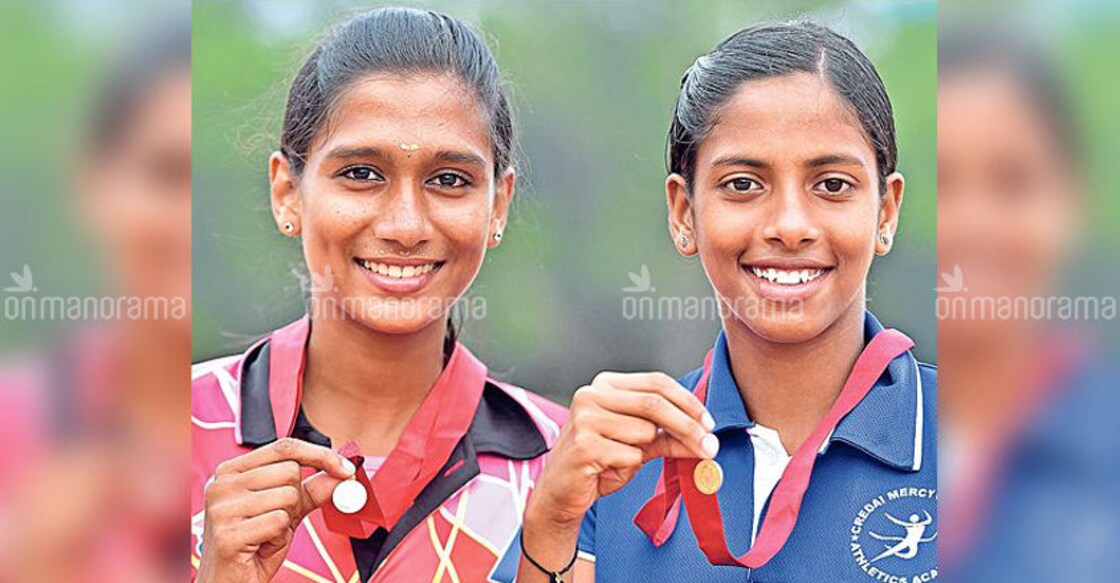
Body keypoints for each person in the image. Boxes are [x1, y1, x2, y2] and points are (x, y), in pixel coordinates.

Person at [518, 22, 936, 582]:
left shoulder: (993, 450)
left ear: (885, 212)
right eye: (743, 184)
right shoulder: (612, 462)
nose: (789, 226)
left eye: (832, 185)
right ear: (683, 213)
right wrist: (552, 520)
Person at [190, 8, 565, 582]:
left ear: (499, 204)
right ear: (287, 192)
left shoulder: (569, 473)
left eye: (449, 180)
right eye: (362, 174)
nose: (406, 225)